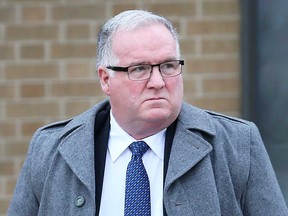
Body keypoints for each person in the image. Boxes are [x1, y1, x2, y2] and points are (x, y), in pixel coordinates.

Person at [8, 10, 288, 216]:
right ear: (105, 79)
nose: (158, 81)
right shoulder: (51, 149)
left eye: (167, 65)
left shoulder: (237, 144)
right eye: (139, 69)